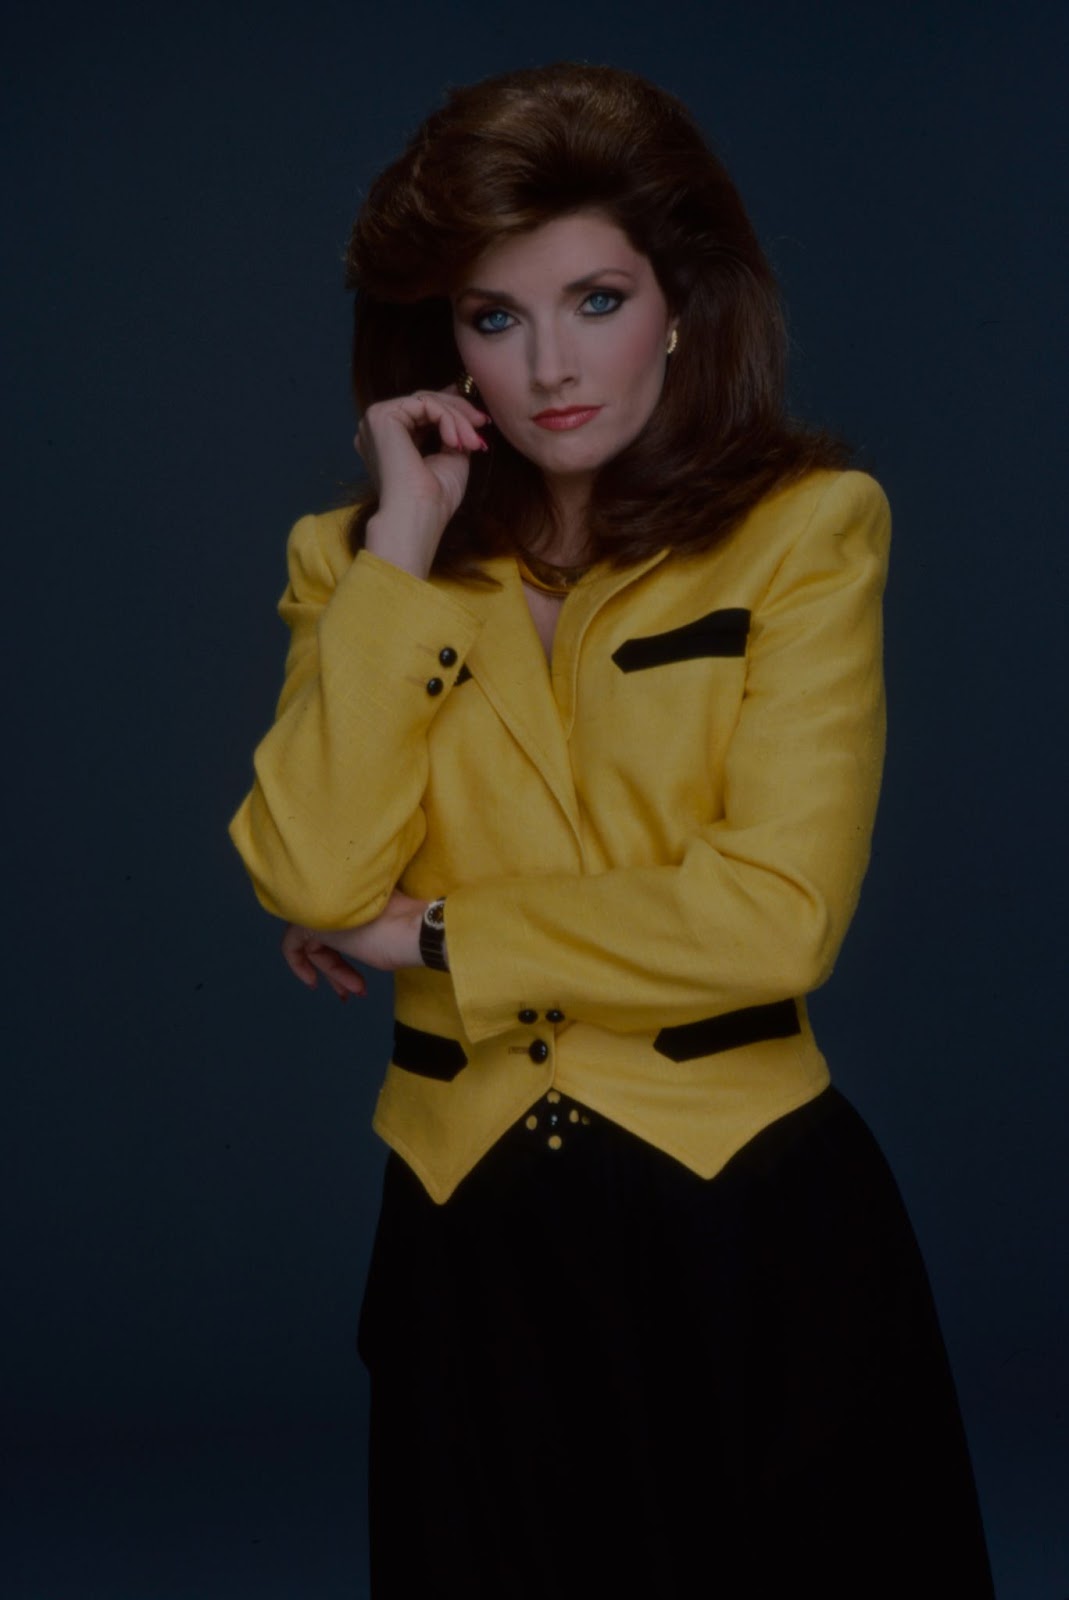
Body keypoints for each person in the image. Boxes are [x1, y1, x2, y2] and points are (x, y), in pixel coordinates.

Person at [229, 63, 993, 1599]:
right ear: (439, 344)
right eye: (492, 318)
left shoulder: (805, 531)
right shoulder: (365, 562)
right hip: (466, 1238)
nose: (547, 366)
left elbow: (774, 914)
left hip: (748, 1224)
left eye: (594, 298)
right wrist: (399, 545)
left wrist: (431, 933)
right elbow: (307, 871)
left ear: (680, 303)